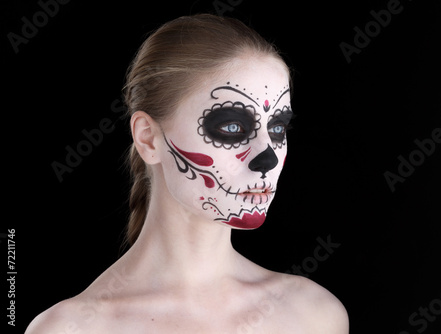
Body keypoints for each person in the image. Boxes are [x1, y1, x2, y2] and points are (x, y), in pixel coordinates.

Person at [26, 14, 348, 333]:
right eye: (232, 127)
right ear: (148, 139)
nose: (268, 158)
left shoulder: (315, 316)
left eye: (277, 128)